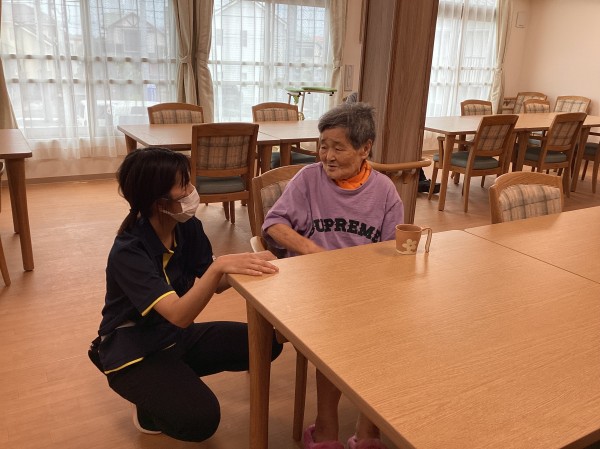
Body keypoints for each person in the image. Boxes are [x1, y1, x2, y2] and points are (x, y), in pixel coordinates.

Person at [89, 147, 283, 442]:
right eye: (183, 185)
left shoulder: (187, 227)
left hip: (172, 335)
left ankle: (168, 379)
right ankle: (146, 397)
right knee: (200, 420)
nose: (192, 190)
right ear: (158, 201)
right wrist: (220, 266)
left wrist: (252, 263)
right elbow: (180, 314)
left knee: (266, 343)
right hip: (133, 349)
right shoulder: (129, 251)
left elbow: (215, 282)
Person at [262, 102, 402, 449]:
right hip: (314, 289)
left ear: (365, 148)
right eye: (323, 146)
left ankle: (368, 430)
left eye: (338, 147)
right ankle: (325, 428)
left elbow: (392, 251)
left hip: (365, 289)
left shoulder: (384, 190)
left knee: (389, 333)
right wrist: (314, 252)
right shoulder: (308, 179)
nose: (327, 156)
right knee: (338, 333)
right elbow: (273, 224)